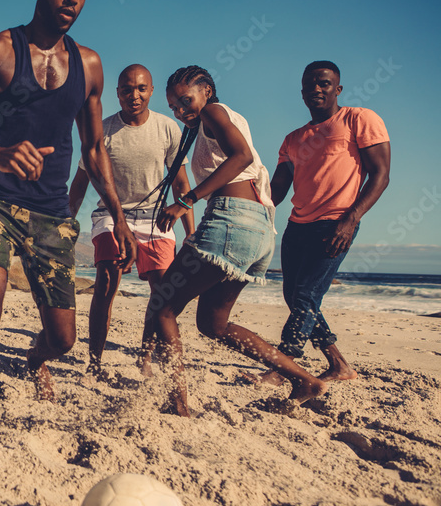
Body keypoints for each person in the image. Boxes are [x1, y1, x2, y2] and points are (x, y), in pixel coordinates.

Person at [0, 0, 136, 460]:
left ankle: (34, 358)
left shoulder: (89, 65)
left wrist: (117, 214)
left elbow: (93, 150)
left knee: (63, 338)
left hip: (51, 211)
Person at [145, 66, 329, 416]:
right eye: (174, 107)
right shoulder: (214, 123)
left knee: (163, 306)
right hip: (258, 227)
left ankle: (178, 404)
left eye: (186, 101)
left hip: (233, 218)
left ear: (208, 91)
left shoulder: (215, 111)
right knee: (213, 324)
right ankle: (304, 379)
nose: (181, 111)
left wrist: (187, 201)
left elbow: (241, 156)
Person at [248, 61, 390, 387]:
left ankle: (282, 369)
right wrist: (245, 193)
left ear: (338, 89)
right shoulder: (293, 139)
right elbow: (278, 190)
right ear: (302, 93)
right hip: (297, 226)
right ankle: (339, 364)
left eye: (324, 84)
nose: (317, 89)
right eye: (310, 85)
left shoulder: (359, 119)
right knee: (296, 296)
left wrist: (351, 220)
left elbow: (381, 175)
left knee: (306, 296)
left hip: (336, 223)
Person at [68, 64, 194, 381]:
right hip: (112, 215)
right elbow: (81, 182)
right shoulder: (104, 131)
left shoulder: (168, 129)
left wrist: (191, 233)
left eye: (140, 88)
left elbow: (181, 184)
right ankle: (95, 362)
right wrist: (66, 223)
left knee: (162, 290)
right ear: (118, 93)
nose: (133, 95)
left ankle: (146, 358)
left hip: (155, 216)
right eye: (126, 89)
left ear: (150, 91)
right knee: (108, 282)